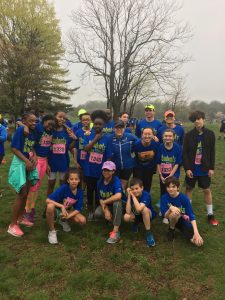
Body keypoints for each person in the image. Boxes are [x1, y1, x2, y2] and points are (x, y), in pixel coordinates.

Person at [183, 110, 219, 225]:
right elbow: (185, 153)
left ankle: (210, 214)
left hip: (204, 168)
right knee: (189, 189)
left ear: (203, 119)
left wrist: (211, 168)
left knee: (206, 190)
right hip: (192, 169)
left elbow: (212, 152)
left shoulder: (210, 134)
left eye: (199, 119)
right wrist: (187, 168)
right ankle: (187, 213)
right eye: (194, 120)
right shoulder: (188, 135)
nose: (197, 121)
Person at [7, 113, 39, 237]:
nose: (33, 123)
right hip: (20, 164)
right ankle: (12, 225)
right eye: (31, 121)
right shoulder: (21, 130)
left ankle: (21, 218)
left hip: (29, 164)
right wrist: (26, 161)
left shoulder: (32, 132)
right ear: (24, 120)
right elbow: (14, 148)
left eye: (35, 121)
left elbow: (32, 148)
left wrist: (35, 157)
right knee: (21, 194)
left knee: (26, 192)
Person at [23, 115, 55, 224]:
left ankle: (31, 208)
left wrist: (48, 164)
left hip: (44, 161)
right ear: (43, 122)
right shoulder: (38, 127)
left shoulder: (51, 132)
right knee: (32, 185)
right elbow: (21, 122)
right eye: (48, 124)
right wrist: (25, 127)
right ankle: (26, 211)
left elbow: (47, 148)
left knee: (37, 186)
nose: (50, 127)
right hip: (36, 159)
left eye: (52, 125)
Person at [83, 110, 112, 221]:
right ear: (92, 124)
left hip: (101, 170)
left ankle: (97, 210)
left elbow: (108, 155)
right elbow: (86, 149)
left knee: (99, 191)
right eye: (96, 124)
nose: (98, 126)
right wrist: (95, 139)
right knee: (90, 190)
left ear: (104, 125)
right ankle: (90, 210)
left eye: (100, 124)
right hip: (89, 169)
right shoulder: (88, 135)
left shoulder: (108, 138)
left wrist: (107, 170)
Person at [46, 168, 86, 244]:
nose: (74, 181)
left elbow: (78, 209)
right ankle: (52, 231)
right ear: (68, 180)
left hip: (66, 211)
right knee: (50, 206)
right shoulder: (64, 188)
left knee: (82, 221)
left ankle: (63, 220)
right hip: (56, 209)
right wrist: (62, 206)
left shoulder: (80, 192)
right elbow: (47, 200)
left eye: (76, 179)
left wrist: (68, 216)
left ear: (79, 180)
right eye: (71, 179)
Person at [160, 177, 204, 246]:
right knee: (175, 213)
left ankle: (186, 231)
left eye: (173, 187)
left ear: (177, 187)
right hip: (171, 218)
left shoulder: (184, 198)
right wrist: (170, 208)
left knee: (197, 242)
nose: (171, 189)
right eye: (168, 187)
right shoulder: (164, 198)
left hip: (183, 220)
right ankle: (171, 230)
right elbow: (165, 216)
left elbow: (191, 215)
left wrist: (196, 232)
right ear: (166, 188)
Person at [47, 111, 77, 196]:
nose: (62, 119)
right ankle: (49, 202)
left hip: (63, 161)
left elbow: (69, 147)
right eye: (60, 117)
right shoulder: (50, 130)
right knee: (51, 183)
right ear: (54, 117)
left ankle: (61, 203)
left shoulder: (67, 131)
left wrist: (74, 139)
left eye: (64, 118)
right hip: (51, 161)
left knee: (63, 184)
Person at [94, 161, 122, 244]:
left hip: (120, 205)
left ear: (113, 171)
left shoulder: (116, 180)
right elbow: (100, 198)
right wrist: (106, 211)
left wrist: (104, 202)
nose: (105, 172)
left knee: (116, 203)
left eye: (108, 170)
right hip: (107, 205)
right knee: (97, 213)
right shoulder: (99, 182)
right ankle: (112, 220)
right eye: (104, 170)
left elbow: (118, 196)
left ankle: (115, 232)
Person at [124, 178, 156, 247]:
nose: (135, 191)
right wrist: (129, 197)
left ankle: (148, 232)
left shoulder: (146, 194)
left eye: (137, 188)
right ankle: (135, 224)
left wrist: (132, 196)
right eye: (132, 189)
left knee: (143, 209)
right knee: (126, 216)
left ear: (142, 188)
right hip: (137, 215)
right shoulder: (131, 196)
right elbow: (128, 211)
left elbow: (139, 208)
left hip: (147, 215)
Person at [109, 120, 137, 189]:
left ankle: (122, 198)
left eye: (121, 127)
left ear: (124, 128)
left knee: (123, 186)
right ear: (113, 128)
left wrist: (153, 138)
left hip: (128, 166)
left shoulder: (130, 137)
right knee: (115, 185)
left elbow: (141, 142)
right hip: (115, 167)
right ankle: (117, 198)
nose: (119, 129)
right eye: (117, 127)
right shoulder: (109, 138)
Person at [157, 129, 182, 197]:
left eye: (170, 136)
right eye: (166, 136)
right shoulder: (160, 147)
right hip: (163, 174)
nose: (168, 138)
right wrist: (160, 175)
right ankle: (163, 203)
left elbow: (177, 163)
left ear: (174, 137)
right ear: (163, 137)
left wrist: (170, 175)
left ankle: (175, 203)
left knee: (173, 189)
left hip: (174, 174)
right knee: (163, 189)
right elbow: (158, 162)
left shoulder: (178, 147)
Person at [133, 127, 159, 192]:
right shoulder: (136, 144)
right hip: (138, 168)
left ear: (153, 135)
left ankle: (146, 200)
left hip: (150, 168)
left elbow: (157, 156)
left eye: (149, 134)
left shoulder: (156, 144)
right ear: (142, 135)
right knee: (137, 185)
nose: (147, 136)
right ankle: (136, 199)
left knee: (147, 185)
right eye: (145, 134)